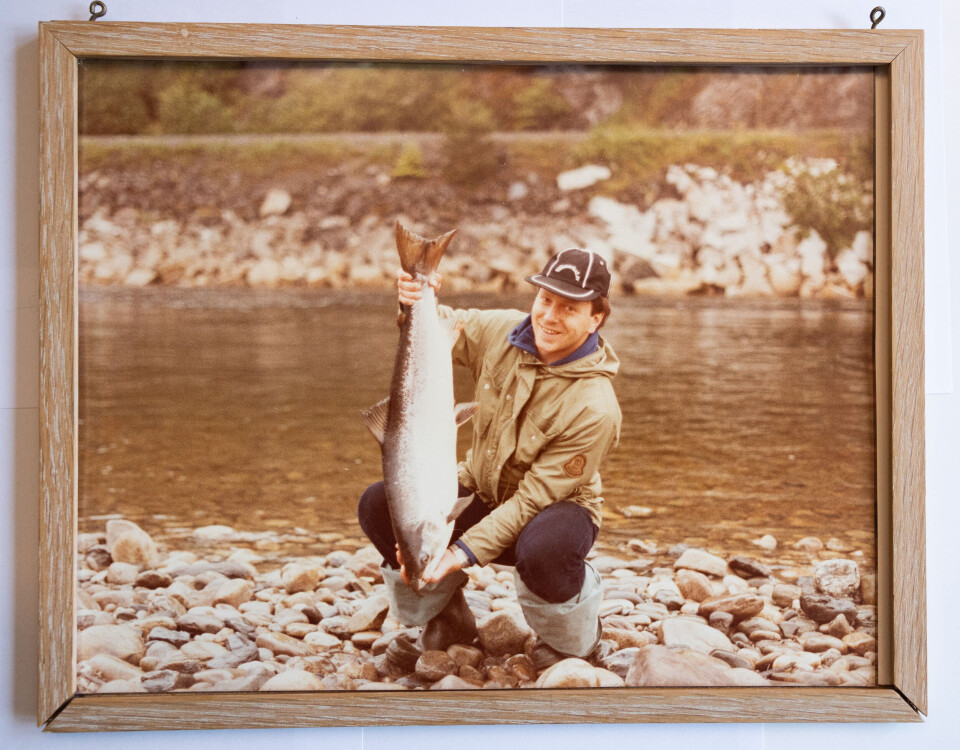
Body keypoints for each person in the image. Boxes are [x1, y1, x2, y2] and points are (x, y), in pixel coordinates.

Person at [358, 247, 622, 668]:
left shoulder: (596, 408)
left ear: (596, 319)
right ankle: (447, 620)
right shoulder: (502, 331)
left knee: (546, 551)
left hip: (554, 511)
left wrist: (458, 553)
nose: (549, 316)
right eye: (545, 299)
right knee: (379, 504)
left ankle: (576, 640)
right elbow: (437, 326)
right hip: (482, 489)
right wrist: (414, 298)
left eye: (569, 308)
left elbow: (532, 500)